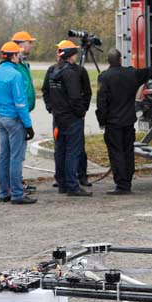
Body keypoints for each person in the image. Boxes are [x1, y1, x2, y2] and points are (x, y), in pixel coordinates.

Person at [96, 48, 152, 194]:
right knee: (128, 152)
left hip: (113, 123)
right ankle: (127, 182)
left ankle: (121, 185)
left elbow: (101, 102)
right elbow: (149, 72)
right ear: (121, 59)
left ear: (108, 61)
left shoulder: (104, 77)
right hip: (128, 121)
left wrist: (102, 121)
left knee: (116, 153)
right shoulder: (131, 74)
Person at [42, 40, 92, 197]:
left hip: (58, 118)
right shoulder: (71, 73)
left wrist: (51, 108)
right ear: (71, 55)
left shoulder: (52, 70)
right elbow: (76, 97)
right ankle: (72, 186)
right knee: (72, 151)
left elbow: (45, 91)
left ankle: (62, 183)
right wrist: (81, 112)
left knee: (60, 151)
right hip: (71, 119)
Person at [0, 42, 35, 205]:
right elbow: (20, 103)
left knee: (4, 156)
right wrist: (28, 125)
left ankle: (4, 192)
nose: (19, 57)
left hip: (1, 118)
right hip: (15, 120)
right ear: (13, 56)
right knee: (16, 157)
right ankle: (17, 193)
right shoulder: (15, 75)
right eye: (17, 54)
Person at [11, 30, 38, 194]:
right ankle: (15, 185)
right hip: (18, 114)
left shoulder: (23, 63)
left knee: (19, 152)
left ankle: (17, 181)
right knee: (16, 152)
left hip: (24, 112)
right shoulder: (15, 65)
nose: (31, 45)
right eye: (29, 42)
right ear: (21, 45)